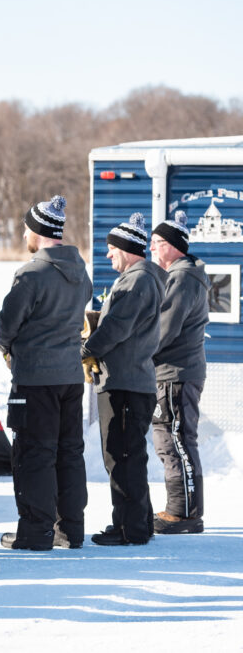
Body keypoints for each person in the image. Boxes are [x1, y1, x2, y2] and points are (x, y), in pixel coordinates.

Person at [0, 196, 93, 551]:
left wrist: (8, 348)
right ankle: (71, 529)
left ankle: (36, 531)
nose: (24, 235)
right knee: (69, 453)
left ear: (37, 232)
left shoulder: (32, 273)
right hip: (70, 375)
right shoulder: (80, 271)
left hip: (36, 376)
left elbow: (7, 323)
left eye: (26, 229)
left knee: (34, 454)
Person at [82, 213, 167, 546]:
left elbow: (117, 328)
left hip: (125, 384)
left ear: (128, 249)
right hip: (130, 381)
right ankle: (140, 523)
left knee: (122, 456)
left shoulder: (137, 281)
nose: (107, 255)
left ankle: (128, 529)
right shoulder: (141, 280)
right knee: (131, 454)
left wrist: (87, 349)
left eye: (111, 248)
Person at [149, 211, 210, 534]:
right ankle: (181, 508)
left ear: (174, 246)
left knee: (177, 439)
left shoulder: (183, 277)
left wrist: (139, 351)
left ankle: (185, 512)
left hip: (177, 372)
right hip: (176, 371)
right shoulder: (182, 275)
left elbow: (165, 328)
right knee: (171, 438)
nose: (153, 249)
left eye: (158, 243)